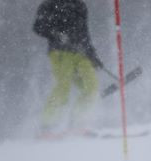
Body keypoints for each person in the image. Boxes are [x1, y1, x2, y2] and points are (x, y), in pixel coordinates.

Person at [33, 0, 103, 136]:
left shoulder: (80, 5)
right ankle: (47, 125)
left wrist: (92, 55)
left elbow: (85, 33)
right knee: (63, 87)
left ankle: (77, 123)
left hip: (80, 53)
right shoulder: (50, 3)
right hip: (60, 52)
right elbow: (38, 27)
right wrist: (57, 34)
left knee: (91, 87)